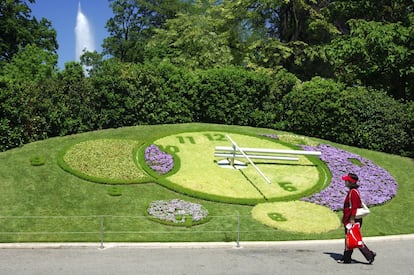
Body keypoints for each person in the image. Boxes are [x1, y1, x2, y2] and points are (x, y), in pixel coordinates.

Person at [337, 173, 376, 264]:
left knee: (352, 238)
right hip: (351, 218)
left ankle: (368, 255)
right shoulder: (353, 191)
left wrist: (352, 219)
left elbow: (354, 207)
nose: (345, 182)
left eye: (346, 180)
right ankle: (348, 258)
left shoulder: (353, 192)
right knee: (351, 238)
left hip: (352, 219)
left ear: (351, 182)